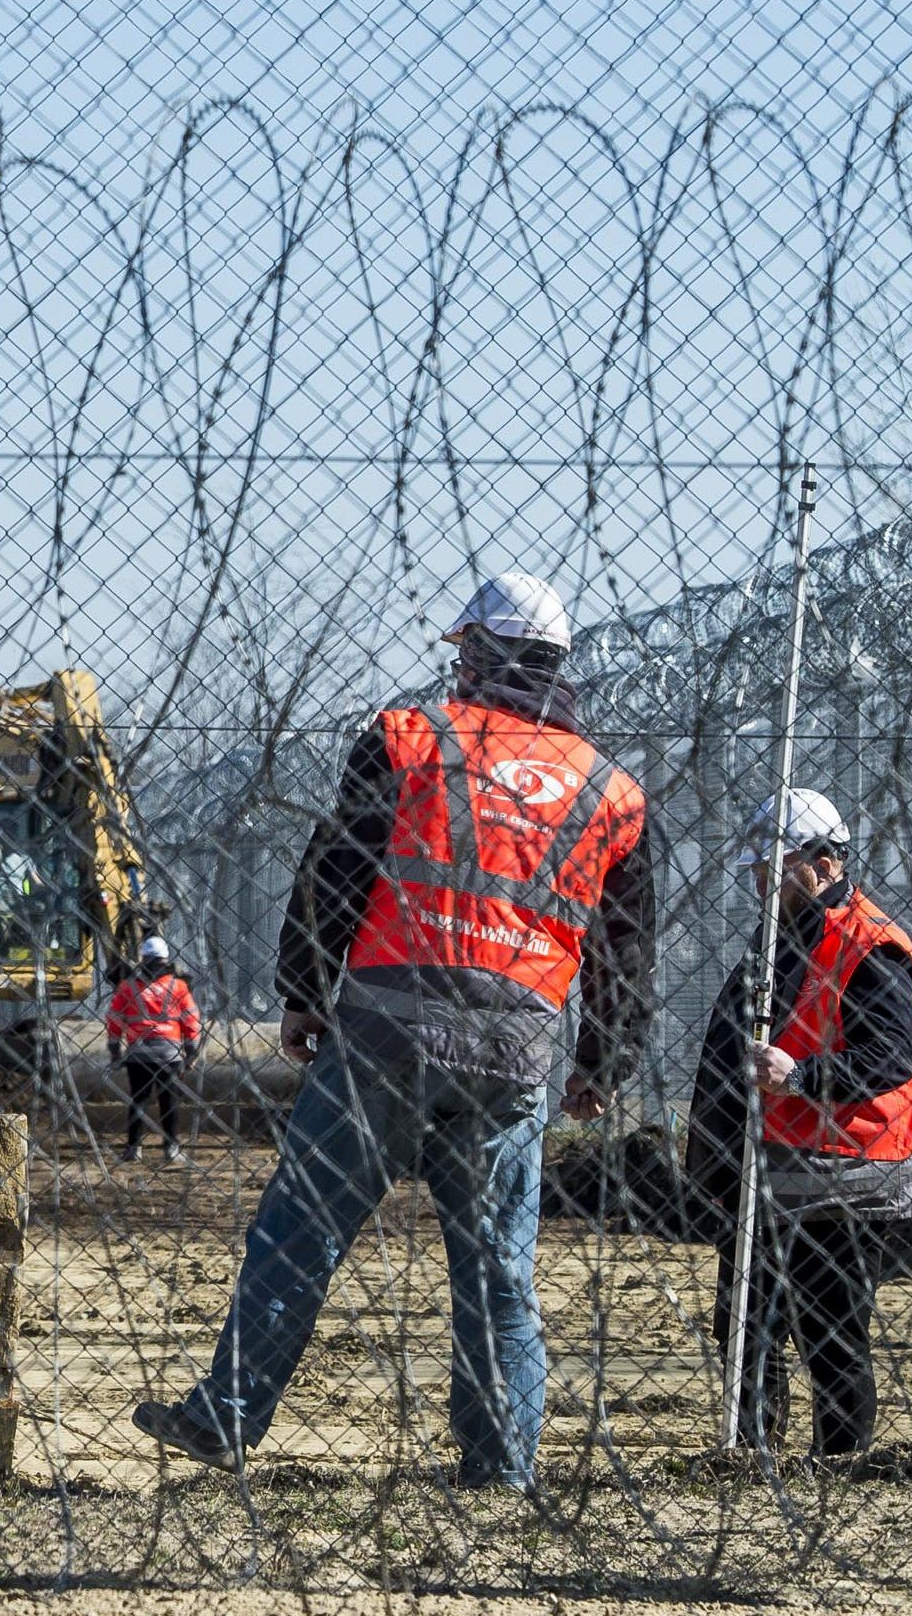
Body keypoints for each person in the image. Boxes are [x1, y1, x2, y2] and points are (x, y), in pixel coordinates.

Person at [132, 572, 659, 1489]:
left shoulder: (412, 739)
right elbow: (625, 952)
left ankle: (226, 1415)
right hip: (511, 1055)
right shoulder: (610, 793)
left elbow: (336, 868)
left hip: (384, 1037)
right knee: (498, 1272)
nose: (454, 668)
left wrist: (301, 987)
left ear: (481, 652)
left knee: (300, 1230)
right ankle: (501, 1466)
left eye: (462, 652)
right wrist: (601, 1062)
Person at [683, 787, 912, 1464]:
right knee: (743, 1324)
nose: (761, 880)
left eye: (775, 866)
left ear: (823, 863)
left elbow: (889, 1058)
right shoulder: (781, 937)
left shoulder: (871, 946)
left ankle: (838, 1463)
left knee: (829, 1333)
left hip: (841, 1176)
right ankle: (747, 1451)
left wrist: (798, 1074)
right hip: (772, 1167)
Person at [106, 936, 202, 1164]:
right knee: (169, 1102)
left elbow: (114, 1019)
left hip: (138, 1053)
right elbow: (191, 1019)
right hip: (169, 1053)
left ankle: (133, 1148)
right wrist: (191, 1051)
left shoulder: (127, 987)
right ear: (166, 959)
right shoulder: (178, 986)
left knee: (139, 1099)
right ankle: (171, 1148)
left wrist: (115, 1049)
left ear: (143, 959)